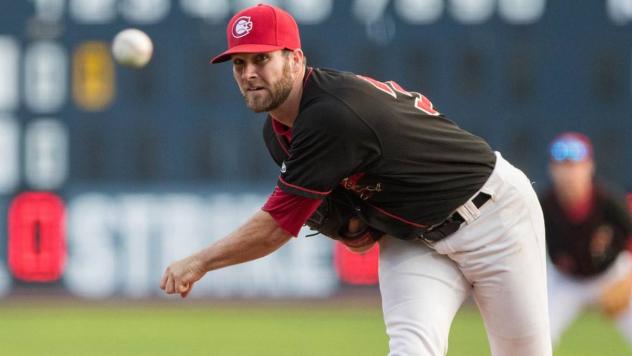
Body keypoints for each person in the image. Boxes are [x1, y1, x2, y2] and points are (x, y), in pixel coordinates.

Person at [160, 4, 552, 355]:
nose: (248, 74)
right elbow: (353, 226)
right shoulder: (277, 133)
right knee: (411, 348)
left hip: (493, 217)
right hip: (414, 237)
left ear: (295, 59)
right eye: (238, 64)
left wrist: (200, 261)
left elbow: (275, 228)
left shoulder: (332, 113)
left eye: (262, 58)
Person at [541, 132, 632, 347]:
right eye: (562, 166)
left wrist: (629, 281)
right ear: (552, 169)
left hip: (610, 275)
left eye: (575, 165)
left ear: (589, 167)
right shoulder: (542, 206)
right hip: (565, 281)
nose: (569, 172)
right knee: (535, 339)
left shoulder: (609, 203)